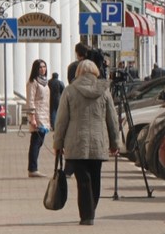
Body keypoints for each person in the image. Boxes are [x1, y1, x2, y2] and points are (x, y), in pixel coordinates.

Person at [53, 60, 120, 226]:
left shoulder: (69, 90)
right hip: (98, 141)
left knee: (83, 180)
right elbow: (112, 119)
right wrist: (114, 143)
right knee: (95, 177)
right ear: (96, 71)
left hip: (76, 141)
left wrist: (58, 143)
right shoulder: (104, 91)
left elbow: (61, 120)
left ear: (78, 72)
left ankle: (86, 215)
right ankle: (91, 210)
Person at [26, 59, 51, 178]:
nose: (43, 69)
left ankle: (33, 167)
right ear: (36, 69)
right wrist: (32, 118)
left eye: (44, 67)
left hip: (45, 115)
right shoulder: (33, 82)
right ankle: (32, 168)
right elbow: (30, 101)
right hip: (37, 116)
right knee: (35, 143)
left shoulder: (45, 82)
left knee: (39, 143)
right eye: (40, 67)